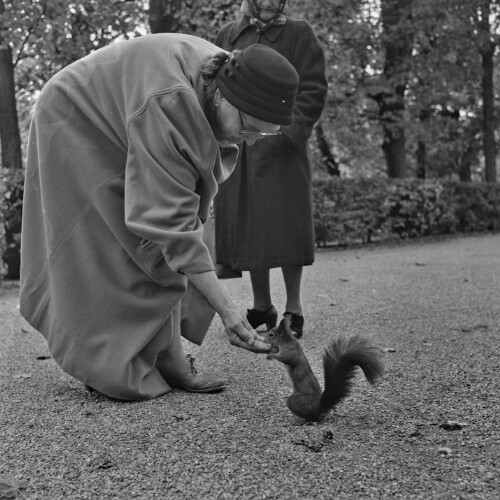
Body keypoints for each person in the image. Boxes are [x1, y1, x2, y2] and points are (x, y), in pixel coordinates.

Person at [19, 33, 299, 401]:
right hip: (75, 118)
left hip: (126, 111)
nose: (248, 140)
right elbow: (172, 226)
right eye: (248, 127)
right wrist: (229, 312)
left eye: (262, 134)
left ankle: (167, 356)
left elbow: (182, 213)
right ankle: (106, 361)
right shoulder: (171, 103)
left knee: (159, 234)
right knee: (116, 242)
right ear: (221, 96)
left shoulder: (230, 75)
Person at [213, 0, 328, 338]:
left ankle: (294, 308)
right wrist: (223, 133)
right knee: (250, 228)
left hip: (282, 151)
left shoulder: (299, 34)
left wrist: (288, 135)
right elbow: (216, 85)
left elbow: (313, 89)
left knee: (287, 226)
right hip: (239, 146)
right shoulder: (228, 34)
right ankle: (261, 306)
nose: (266, 2)